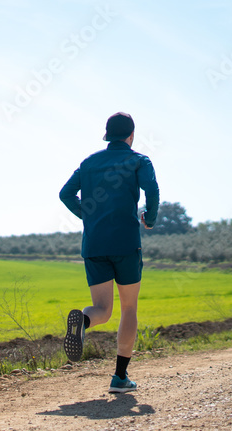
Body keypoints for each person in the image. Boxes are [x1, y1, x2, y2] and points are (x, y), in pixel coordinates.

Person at [59, 112, 160, 393]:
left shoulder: (88, 163)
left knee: (102, 309)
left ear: (107, 135)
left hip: (94, 245)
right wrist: (149, 219)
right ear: (131, 135)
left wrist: (88, 215)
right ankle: (119, 378)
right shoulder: (139, 160)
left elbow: (65, 194)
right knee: (128, 308)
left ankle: (85, 320)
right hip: (126, 243)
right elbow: (152, 190)